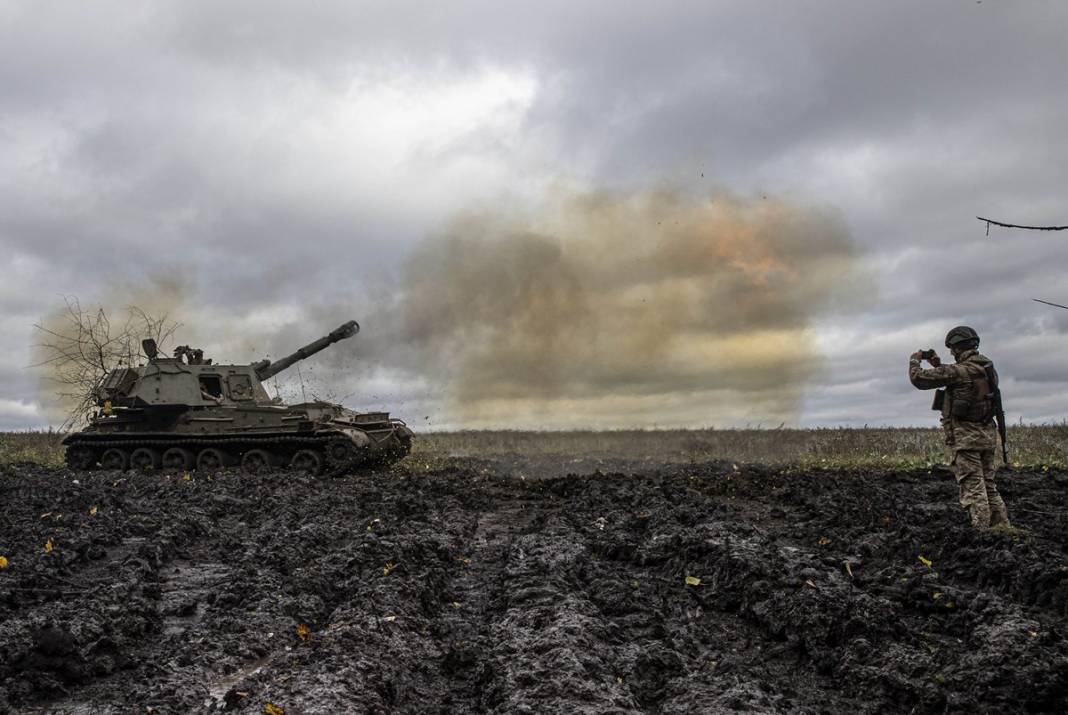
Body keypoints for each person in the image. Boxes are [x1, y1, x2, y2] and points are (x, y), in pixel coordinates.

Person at [909, 326, 1010, 529]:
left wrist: (915, 359)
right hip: (986, 435)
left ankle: (982, 531)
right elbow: (958, 375)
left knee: (973, 487)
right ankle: (1002, 527)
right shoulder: (986, 368)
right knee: (989, 485)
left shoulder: (959, 371)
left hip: (966, 438)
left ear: (956, 348)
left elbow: (918, 379)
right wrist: (937, 364)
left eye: (952, 350)